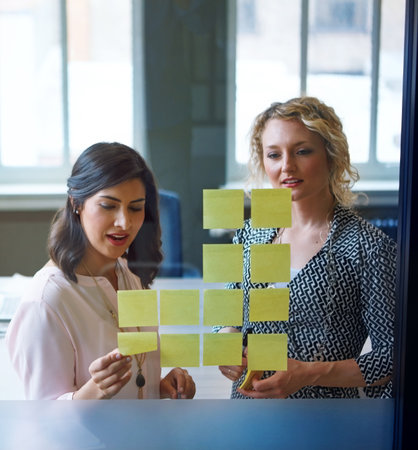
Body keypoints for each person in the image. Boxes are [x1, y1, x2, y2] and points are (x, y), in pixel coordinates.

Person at [215, 97, 396, 399]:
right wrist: (227, 338)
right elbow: (228, 310)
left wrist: (308, 373)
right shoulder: (251, 234)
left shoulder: (368, 247)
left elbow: (391, 360)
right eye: (274, 154)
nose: (287, 166)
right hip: (249, 416)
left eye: (302, 151)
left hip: (325, 422)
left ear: (331, 155)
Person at [6, 142, 195, 400]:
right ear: (77, 203)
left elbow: (138, 377)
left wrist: (159, 388)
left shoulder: (129, 275)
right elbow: (44, 421)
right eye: (108, 205)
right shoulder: (46, 301)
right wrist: (93, 392)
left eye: (135, 207)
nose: (124, 222)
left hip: (143, 438)